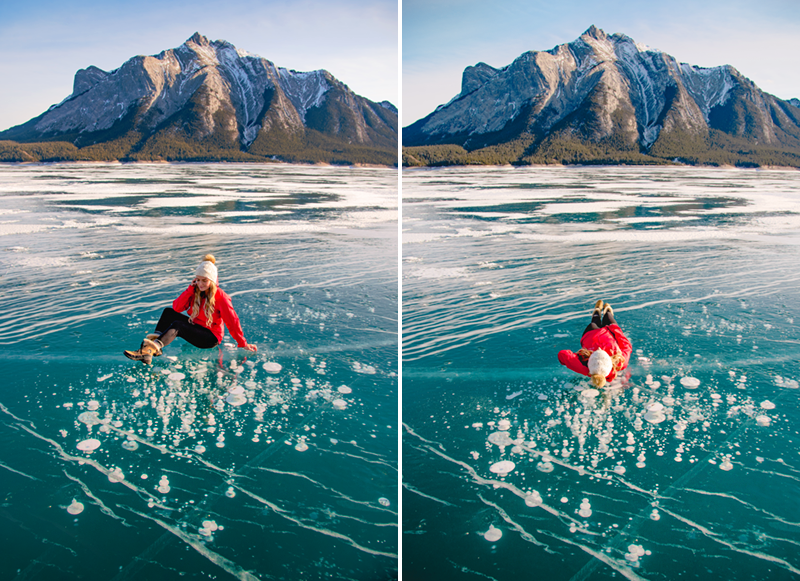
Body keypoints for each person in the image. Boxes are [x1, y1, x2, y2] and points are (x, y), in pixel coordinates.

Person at [124, 254, 257, 364]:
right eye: (198, 280)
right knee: (168, 312)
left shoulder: (221, 297)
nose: (200, 284)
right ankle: (151, 349)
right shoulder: (195, 290)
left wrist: (243, 343)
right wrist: (189, 290)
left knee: (178, 325)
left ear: (212, 280)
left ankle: (149, 350)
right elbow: (177, 307)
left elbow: (232, 321)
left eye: (204, 280)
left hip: (210, 338)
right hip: (196, 326)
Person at [557, 300, 632, 388]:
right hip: (609, 332)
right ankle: (606, 310)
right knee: (608, 316)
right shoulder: (620, 363)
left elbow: (563, 354)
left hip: (591, 333)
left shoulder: (584, 367)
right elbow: (626, 345)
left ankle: (597, 311)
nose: (599, 350)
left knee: (595, 322)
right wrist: (615, 329)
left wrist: (585, 370)